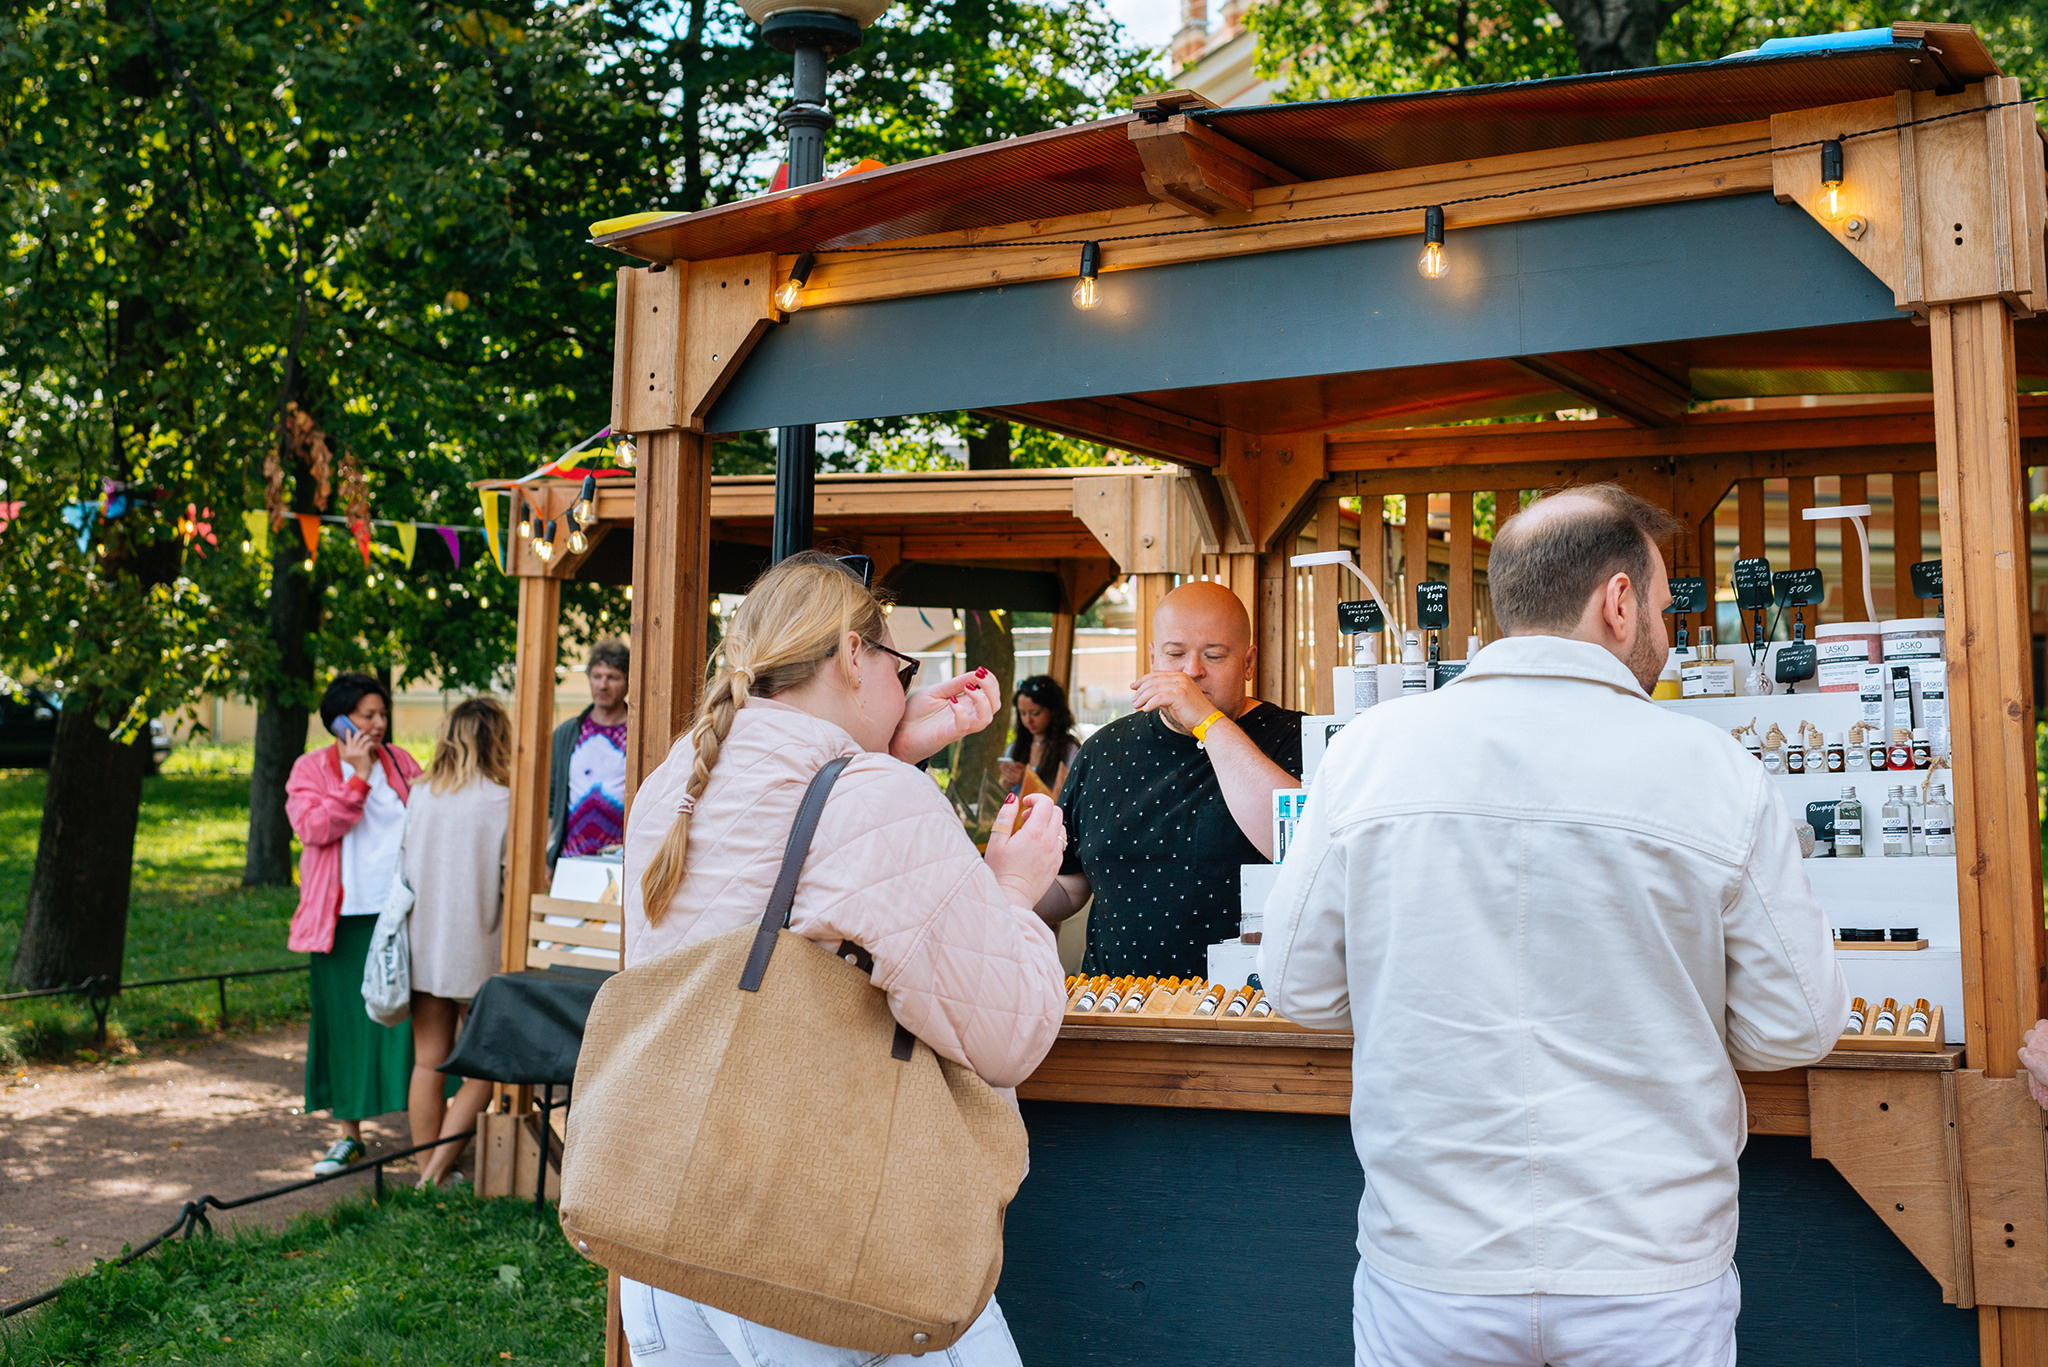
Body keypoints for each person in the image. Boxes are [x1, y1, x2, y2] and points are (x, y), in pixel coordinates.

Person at [1259, 485, 1849, 1367]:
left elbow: (1297, 986)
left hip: (1435, 1256)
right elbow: (1797, 1022)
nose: (1663, 631)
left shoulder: (1368, 755)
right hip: (1647, 1261)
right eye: (1661, 609)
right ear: (1618, 602)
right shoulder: (1714, 771)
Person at [618, 550, 1067, 1367]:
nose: (906, 683)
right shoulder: (875, 797)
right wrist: (1012, 888)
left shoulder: (676, 780)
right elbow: (1010, 1032)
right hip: (813, 1235)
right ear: (855, 655)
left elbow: (805, 868)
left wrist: (890, 748)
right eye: (901, 665)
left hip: (665, 1223)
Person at [1033, 581, 1304, 977]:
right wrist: (1000, 879)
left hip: (1244, 1005)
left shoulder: (1297, 737)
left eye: (1214, 656)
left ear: (1248, 663)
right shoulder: (1104, 749)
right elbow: (1068, 886)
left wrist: (1206, 720)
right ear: (1153, 658)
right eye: (1175, 655)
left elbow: (1300, 845)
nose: (1191, 672)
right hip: (1114, 1003)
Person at [286, 672, 424, 1177]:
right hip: (340, 922)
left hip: (400, 913)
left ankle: (426, 1139)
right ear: (340, 720)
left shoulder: (401, 762)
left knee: (413, 1026)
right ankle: (349, 1136)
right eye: (368, 715)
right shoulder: (310, 769)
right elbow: (313, 827)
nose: (379, 723)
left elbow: (425, 819)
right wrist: (359, 779)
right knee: (346, 1027)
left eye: (382, 714)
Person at [386, 696, 511, 1186]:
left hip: (422, 943)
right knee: (484, 1067)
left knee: (428, 1062)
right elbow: (513, 878)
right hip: (479, 947)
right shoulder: (503, 801)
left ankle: (427, 1172)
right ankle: (436, 1170)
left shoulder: (420, 794)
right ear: (497, 740)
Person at [548, 638, 629, 871]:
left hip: (621, 860)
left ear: (628, 682)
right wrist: (548, 855)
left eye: (612, 677)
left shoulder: (639, 734)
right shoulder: (568, 733)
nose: (603, 685)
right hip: (571, 858)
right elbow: (552, 798)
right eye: (597, 676)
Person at [996, 674, 1080, 797]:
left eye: (1035, 713)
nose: (1028, 720)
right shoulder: (1015, 747)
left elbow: (1069, 797)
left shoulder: (1069, 749)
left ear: (1053, 710)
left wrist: (1027, 779)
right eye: (1023, 713)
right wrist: (1007, 783)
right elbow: (1005, 794)